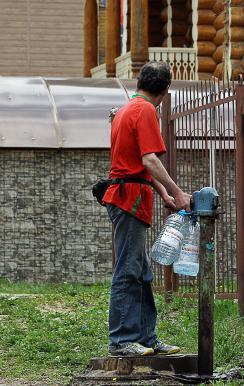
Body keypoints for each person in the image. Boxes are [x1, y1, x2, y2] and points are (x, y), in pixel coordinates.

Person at [102, 61, 192, 357]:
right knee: (128, 271)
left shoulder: (127, 109)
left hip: (129, 194)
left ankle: (146, 338)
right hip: (129, 198)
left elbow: (139, 162)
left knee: (141, 273)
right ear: (165, 91)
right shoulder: (146, 111)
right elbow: (150, 159)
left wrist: (164, 194)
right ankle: (122, 341)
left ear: (139, 82)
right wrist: (178, 194)